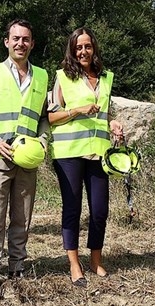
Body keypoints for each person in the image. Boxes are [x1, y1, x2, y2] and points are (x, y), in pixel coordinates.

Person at [0, 19, 50, 294]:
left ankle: (17, 265)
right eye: (15, 38)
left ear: (32, 43)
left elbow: (42, 118)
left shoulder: (41, 75)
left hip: (27, 161)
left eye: (25, 39)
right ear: (6, 41)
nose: (20, 43)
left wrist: (42, 139)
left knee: (22, 216)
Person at [47, 27, 124, 287]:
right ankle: (74, 263)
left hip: (98, 153)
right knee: (73, 208)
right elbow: (51, 117)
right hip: (69, 153)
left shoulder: (106, 78)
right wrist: (77, 110)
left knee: (100, 210)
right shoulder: (62, 77)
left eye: (87, 46)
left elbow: (104, 113)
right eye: (78, 47)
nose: (83, 51)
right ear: (72, 50)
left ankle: (95, 260)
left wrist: (112, 124)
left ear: (94, 48)